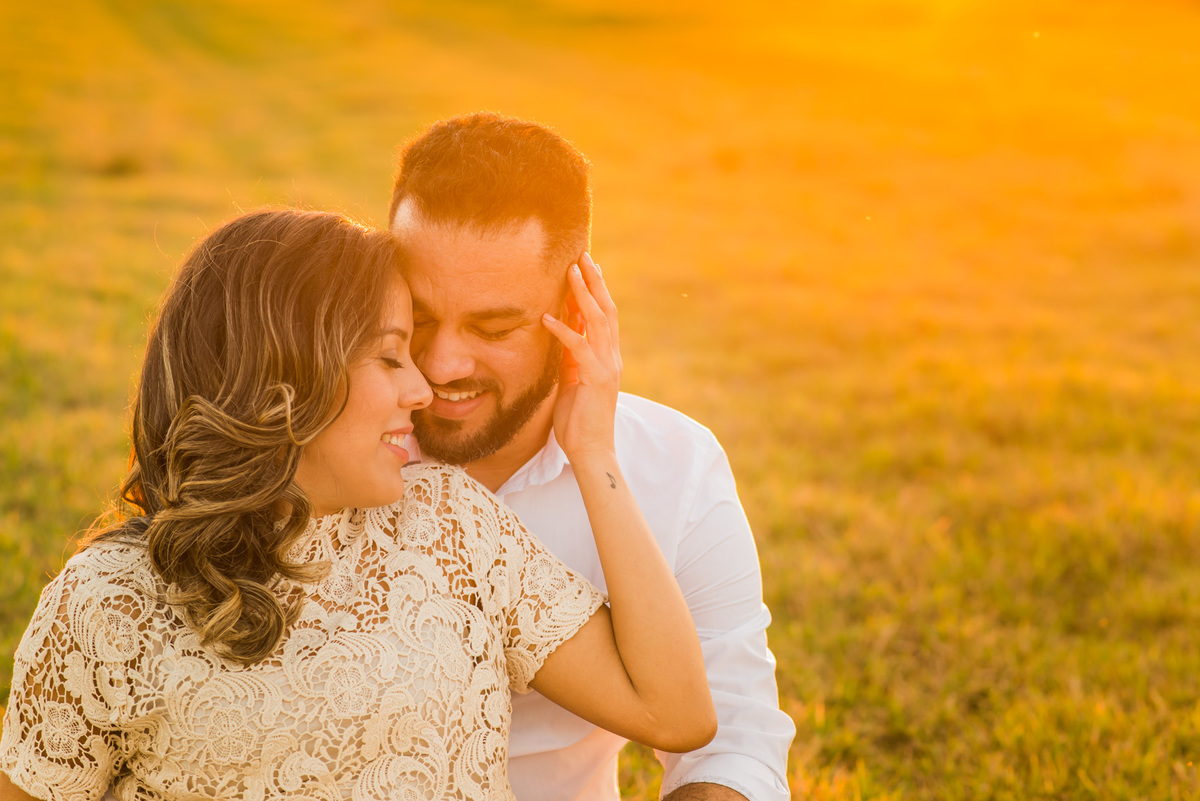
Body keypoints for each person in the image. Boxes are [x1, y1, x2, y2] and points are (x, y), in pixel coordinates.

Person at [0, 209, 716, 800]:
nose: (424, 388)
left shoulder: (453, 525)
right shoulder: (105, 603)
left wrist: (593, 452)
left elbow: (675, 713)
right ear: (285, 377)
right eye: (391, 355)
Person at [388, 113, 796, 801]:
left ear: (575, 312)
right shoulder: (322, 452)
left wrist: (592, 454)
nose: (442, 362)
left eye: (493, 327)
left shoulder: (675, 464)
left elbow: (732, 740)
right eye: (420, 315)